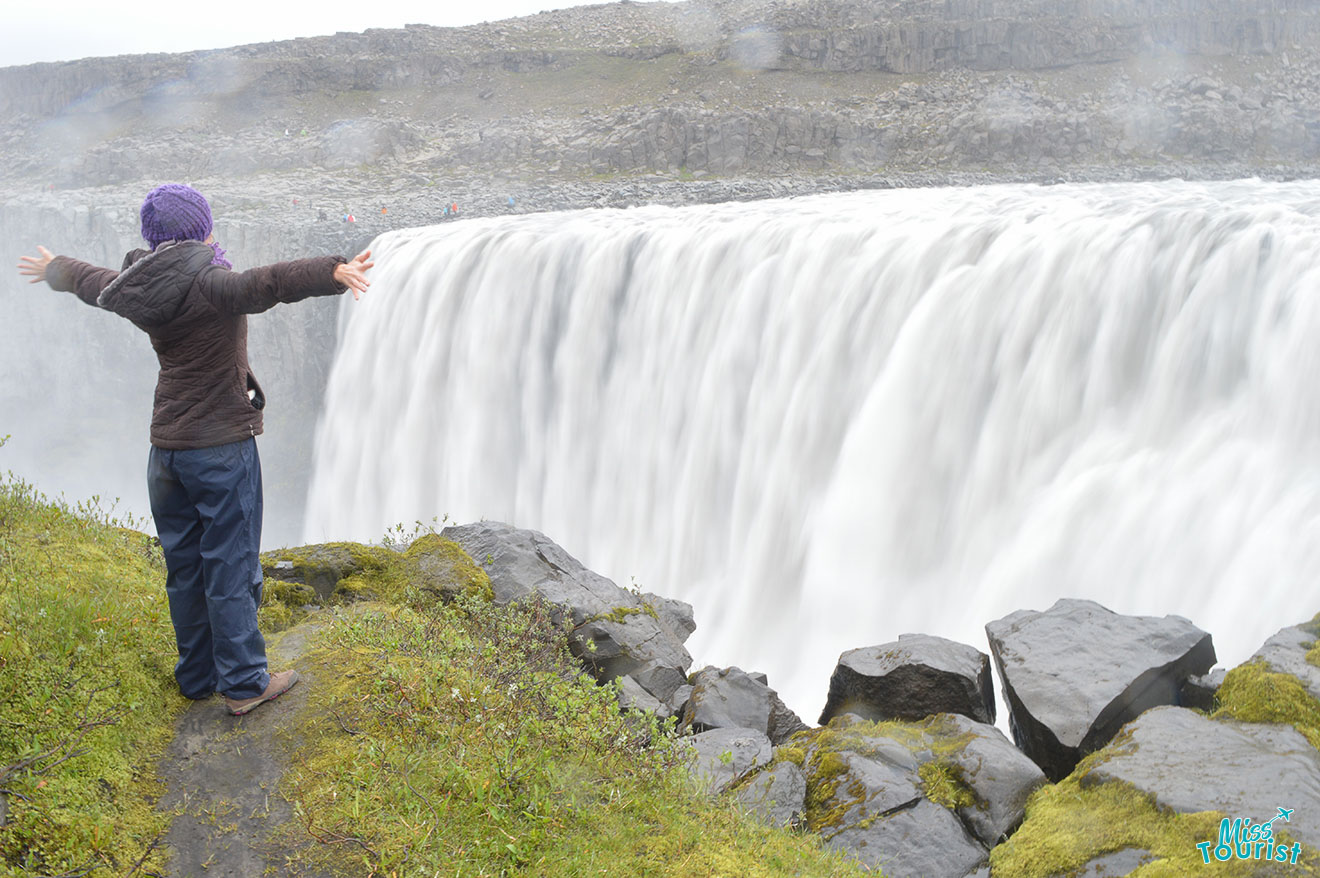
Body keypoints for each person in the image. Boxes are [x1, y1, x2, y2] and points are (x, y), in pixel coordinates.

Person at [16, 183, 374, 717]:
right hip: (220, 448)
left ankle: (197, 676)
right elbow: (268, 283)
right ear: (200, 231)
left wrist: (54, 268)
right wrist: (332, 270)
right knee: (230, 566)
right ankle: (246, 683)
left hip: (166, 453)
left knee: (185, 568)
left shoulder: (138, 288)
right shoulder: (212, 283)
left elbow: (94, 283)